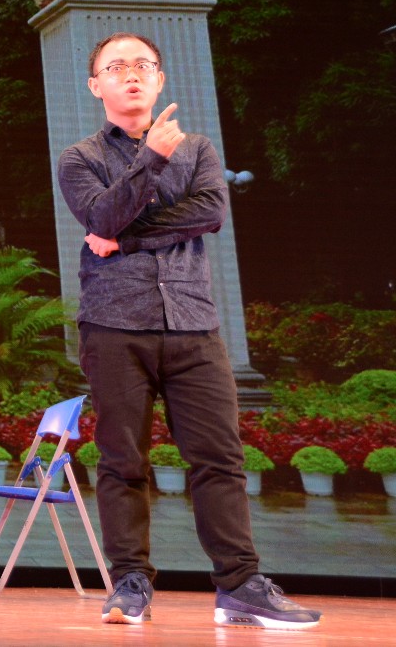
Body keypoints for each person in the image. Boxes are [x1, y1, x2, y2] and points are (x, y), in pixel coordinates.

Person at [57, 32, 321, 630]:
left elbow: (209, 212)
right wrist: (150, 160)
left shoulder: (198, 148)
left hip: (193, 324)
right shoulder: (80, 158)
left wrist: (126, 239)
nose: (131, 74)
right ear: (95, 85)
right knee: (122, 458)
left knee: (219, 458)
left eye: (142, 65)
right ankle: (130, 584)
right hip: (114, 324)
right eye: (116, 67)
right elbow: (99, 215)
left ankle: (240, 586)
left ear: (160, 78)